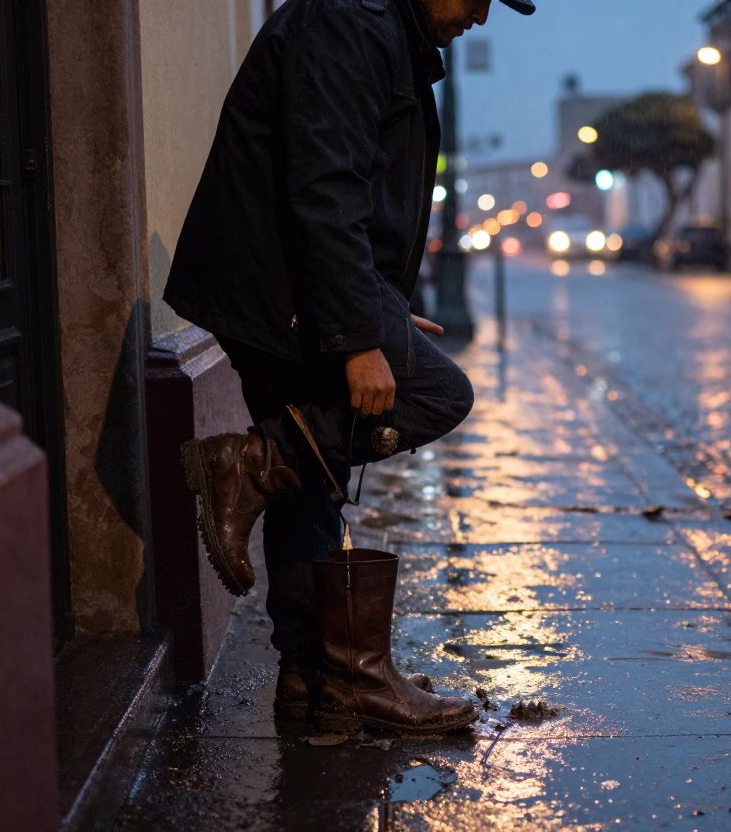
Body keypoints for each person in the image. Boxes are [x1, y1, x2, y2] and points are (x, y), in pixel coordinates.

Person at [164, 0, 535, 735]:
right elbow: (323, 190)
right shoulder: (346, 23)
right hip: (280, 293)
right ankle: (248, 465)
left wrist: (385, 310)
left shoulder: (375, 29)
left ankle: (322, 681)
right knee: (438, 394)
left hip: (294, 289)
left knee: (315, 491)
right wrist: (363, 336)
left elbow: (348, 192)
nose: (481, 16)